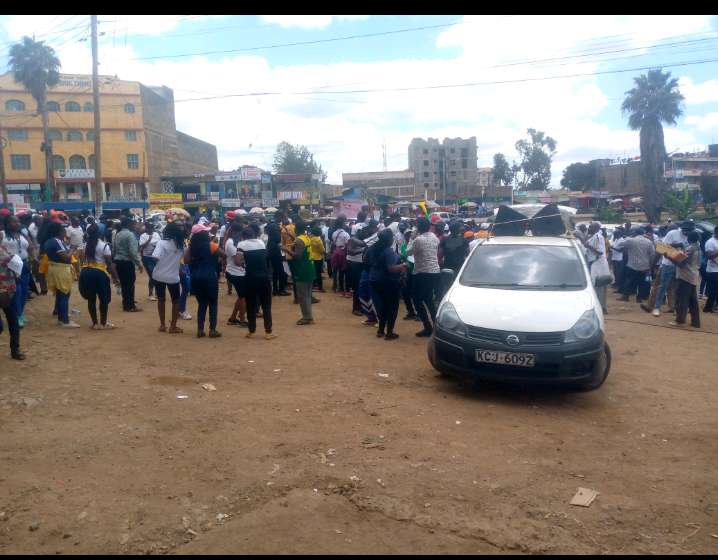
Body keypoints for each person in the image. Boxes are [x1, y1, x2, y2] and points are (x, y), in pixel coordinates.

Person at [184, 223, 227, 338]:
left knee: (202, 304)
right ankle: (212, 330)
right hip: (209, 276)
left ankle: (200, 330)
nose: (208, 232)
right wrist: (214, 257)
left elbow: (186, 260)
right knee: (213, 303)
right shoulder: (210, 245)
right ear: (203, 234)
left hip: (195, 276)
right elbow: (224, 255)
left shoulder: (190, 246)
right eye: (206, 231)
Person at [236, 226, 276, 339]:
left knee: (251, 305)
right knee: (266, 306)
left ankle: (252, 331)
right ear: (254, 234)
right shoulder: (261, 243)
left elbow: (237, 261)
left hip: (250, 278)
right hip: (264, 277)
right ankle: (268, 332)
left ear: (242, 236)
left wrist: (244, 262)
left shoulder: (242, 245)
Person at [368, 229, 409, 340]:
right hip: (388, 281)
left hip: (374, 280)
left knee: (385, 305)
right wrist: (404, 265)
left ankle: (381, 330)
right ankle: (389, 332)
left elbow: (365, 259)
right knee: (393, 306)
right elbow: (391, 268)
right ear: (390, 239)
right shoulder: (388, 251)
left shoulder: (373, 248)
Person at [78, 223, 121, 330]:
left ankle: (95, 323)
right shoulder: (104, 246)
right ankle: (103, 323)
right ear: (100, 233)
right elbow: (110, 264)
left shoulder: (85, 245)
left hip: (86, 272)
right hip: (99, 273)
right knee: (103, 299)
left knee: (91, 299)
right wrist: (116, 278)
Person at [650, 221, 693, 317]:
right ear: (682, 228)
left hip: (680, 265)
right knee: (663, 286)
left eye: (689, 230)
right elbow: (663, 247)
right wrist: (675, 246)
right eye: (686, 230)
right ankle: (657, 308)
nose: (687, 232)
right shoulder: (672, 233)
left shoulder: (690, 236)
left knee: (676, 288)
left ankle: (675, 308)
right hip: (668, 264)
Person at [406, 217, 441, 337]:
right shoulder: (434, 237)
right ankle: (436, 326)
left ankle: (428, 327)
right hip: (435, 272)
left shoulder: (418, 240)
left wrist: (411, 239)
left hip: (422, 273)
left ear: (419, 227)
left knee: (417, 299)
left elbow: (408, 252)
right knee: (429, 299)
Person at [1, 214, 36, 327]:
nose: (16, 224)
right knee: (17, 290)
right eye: (13, 222)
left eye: (17, 222)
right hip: (10, 265)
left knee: (25, 290)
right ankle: (16, 315)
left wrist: (35, 258)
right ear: (7, 223)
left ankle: (20, 313)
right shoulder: (2, 234)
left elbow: (31, 248)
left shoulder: (23, 235)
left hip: (24, 264)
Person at [44, 221, 81, 328]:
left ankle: (61, 318)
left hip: (55, 269)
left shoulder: (50, 241)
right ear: (60, 232)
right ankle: (65, 321)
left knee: (60, 294)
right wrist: (73, 248)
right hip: (61, 270)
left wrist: (66, 244)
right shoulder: (57, 241)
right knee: (65, 294)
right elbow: (66, 257)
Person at [279, 220, 316, 325]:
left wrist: (285, 249)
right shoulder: (305, 237)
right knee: (307, 294)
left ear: (296, 228)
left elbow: (298, 256)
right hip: (309, 269)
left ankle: (307, 318)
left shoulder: (300, 240)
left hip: (302, 270)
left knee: (303, 295)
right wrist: (290, 234)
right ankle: (308, 316)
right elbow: (298, 243)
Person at [152, 222, 186, 334]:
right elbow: (186, 259)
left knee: (161, 299)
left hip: (159, 275)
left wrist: (165, 258)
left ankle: (162, 325)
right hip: (173, 277)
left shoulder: (161, 243)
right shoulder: (182, 244)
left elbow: (155, 258)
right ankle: (173, 326)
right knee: (176, 301)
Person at [668, 231, 701, 328]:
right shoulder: (698, 248)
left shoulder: (689, 248)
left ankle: (680, 320)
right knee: (693, 300)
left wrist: (669, 257)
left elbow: (681, 263)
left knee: (681, 299)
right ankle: (696, 322)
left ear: (688, 238)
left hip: (684, 276)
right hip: (694, 275)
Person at [112, 218, 144, 312]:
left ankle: (125, 303)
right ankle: (130, 305)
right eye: (133, 224)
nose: (134, 226)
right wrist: (139, 263)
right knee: (129, 284)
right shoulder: (130, 235)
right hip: (127, 262)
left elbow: (114, 249)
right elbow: (133, 252)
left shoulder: (119, 234)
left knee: (123, 283)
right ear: (128, 225)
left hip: (118, 261)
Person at [617, 227, 655, 303]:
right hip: (644, 265)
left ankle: (625, 296)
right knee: (642, 282)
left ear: (635, 233)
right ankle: (639, 298)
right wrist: (650, 265)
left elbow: (620, 243)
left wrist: (629, 236)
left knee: (629, 281)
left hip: (632, 264)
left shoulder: (631, 240)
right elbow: (652, 254)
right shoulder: (648, 242)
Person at [0, 243, 24, 359]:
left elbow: (16, 263)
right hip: (6, 287)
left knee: (13, 320)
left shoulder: (4, 246)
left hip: (8, 289)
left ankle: (15, 349)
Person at [582, 221, 610, 314]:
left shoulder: (598, 237)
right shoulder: (592, 237)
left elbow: (601, 251)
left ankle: (601, 308)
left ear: (597, 228)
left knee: (599, 286)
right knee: (596, 286)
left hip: (599, 263)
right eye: (589, 227)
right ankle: (600, 306)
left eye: (591, 227)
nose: (589, 228)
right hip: (594, 263)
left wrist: (588, 246)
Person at [224, 224, 248, 327]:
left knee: (241, 296)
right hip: (236, 272)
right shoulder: (231, 242)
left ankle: (233, 318)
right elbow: (237, 259)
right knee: (243, 297)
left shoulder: (232, 241)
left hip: (235, 271)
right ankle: (242, 320)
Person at [139, 222, 161, 302]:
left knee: (157, 275)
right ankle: (150, 294)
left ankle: (157, 293)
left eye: (152, 227)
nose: (151, 228)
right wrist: (149, 240)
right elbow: (142, 246)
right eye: (149, 227)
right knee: (152, 275)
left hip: (156, 257)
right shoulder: (143, 236)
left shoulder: (156, 234)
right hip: (147, 258)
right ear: (146, 228)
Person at [330, 216, 350, 296]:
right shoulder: (346, 234)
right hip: (344, 253)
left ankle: (341, 290)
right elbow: (347, 245)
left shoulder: (334, 233)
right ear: (342, 225)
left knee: (340, 271)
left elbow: (334, 242)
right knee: (347, 272)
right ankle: (347, 291)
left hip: (336, 252)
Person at [400, 230, 417, 320]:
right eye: (407, 236)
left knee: (415, 294)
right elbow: (402, 256)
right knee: (405, 293)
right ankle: (411, 312)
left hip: (416, 272)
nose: (409, 238)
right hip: (406, 273)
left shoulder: (417, 246)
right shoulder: (403, 246)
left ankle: (419, 313)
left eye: (411, 236)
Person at [28, 214, 47, 295]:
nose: (39, 221)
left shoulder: (46, 229)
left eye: (40, 219)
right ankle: (44, 289)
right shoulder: (30, 229)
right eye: (37, 219)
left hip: (46, 252)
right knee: (40, 272)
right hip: (36, 252)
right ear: (34, 220)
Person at [178, 223, 192, 321]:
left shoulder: (185, 239)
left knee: (187, 286)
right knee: (186, 286)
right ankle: (181, 310)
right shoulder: (177, 241)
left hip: (185, 264)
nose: (182, 228)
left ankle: (180, 309)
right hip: (180, 265)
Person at [702, 228, 718, 313]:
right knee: (714, 290)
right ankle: (708, 308)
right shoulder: (710, 242)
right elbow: (709, 256)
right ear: (716, 232)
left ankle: (714, 306)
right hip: (713, 269)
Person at [309, 226, 326, 293]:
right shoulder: (319, 240)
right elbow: (322, 250)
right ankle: (320, 287)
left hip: (311, 257)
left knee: (312, 272)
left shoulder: (310, 239)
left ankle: (312, 285)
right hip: (318, 258)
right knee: (318, 273)